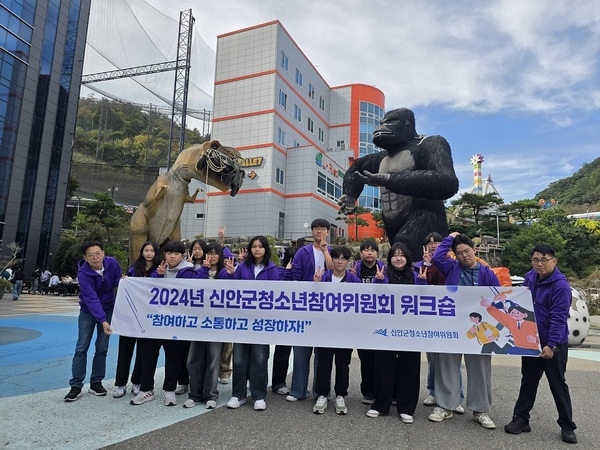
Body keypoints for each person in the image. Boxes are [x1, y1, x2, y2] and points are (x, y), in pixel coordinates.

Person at [503, 244, 577, 444]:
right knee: (528, 381)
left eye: (544, 260)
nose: (539, 264)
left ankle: (567, 425)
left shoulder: (560, 286)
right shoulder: (530, 277)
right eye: (535, 260)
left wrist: (551, 345)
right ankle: (521, 419)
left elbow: (558, 317)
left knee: (557, 384)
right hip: (531, 341)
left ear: (554, 261)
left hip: (554, 344)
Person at [428, 232, 500, 429]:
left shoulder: (487, 272)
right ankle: (445, 406)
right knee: (447, 365)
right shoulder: (451, 267)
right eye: (459, 253)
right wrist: (450, 238)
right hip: (452, 325)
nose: (463, 256)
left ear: (474, 250)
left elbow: (499, 298)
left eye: (466, 251)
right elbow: (436, 257)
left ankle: (480, 410)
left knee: (480, 368)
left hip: (479, 329)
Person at [131, 240, 196, 406]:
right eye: (169, 253)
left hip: (174, 323)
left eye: (176, 253)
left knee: (173, 357)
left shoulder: (188, 272)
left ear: (182, 256)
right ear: (164, 255)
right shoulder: (159, 269)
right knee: (148, 356)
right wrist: (158, 275)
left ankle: (169, 391)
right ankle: (147, 390)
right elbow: (147, 289)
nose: (172, 256)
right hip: (154, 322)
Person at [367, 242, 423, 423]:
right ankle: (381, 404)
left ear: (407, 257)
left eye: (402, 255)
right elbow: (374, 300)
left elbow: (427, 301)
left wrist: (424, 284)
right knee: (383, 366)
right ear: (390, 258)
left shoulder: (416, 276)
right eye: (394, 255)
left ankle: (406, 407)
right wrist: (379, 282)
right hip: (386, 329)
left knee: (410, 367)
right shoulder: (383, 274)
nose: (398, 258)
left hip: (411, 330)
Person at [64, 242, 122, 402]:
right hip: (88, 311)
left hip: (109, 308)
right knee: (82, 346)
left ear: (103, 253)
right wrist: (102, 320)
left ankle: (96, 382)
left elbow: (118, 282)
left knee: (102, 347)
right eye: (91, 255)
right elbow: (91, 299)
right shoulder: (83, 274)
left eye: (98, 253)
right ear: (85, 257)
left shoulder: (113, 264)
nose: (95, 257)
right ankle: (76, 385)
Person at [226, 236, 279, 411]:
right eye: (254, 246)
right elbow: (234, 291)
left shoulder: (272, 269)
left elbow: (274, 293)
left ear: (265, 249)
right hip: (242, 320)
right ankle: (238, 394)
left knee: (259, 358)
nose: (257, 249)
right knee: (239, 359)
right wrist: (232, 275)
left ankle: (259, 395)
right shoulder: (242, 267)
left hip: (261, 322)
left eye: (260, 246)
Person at [287, 218, 334, 402]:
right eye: (316, 228)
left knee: (322, 354)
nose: (319, 231)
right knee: (301, 351)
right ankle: (298, 390)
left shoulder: (332, 252)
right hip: (305, 307)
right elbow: (295, 278)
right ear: (312, 231)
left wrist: (324, 250)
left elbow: (334, 272)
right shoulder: (302, 252)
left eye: (323, 228)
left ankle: (320, 392)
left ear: (328, 232)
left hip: (326, 309)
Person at [184, 242, 234, 409]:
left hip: (216, 323)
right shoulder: (198, 271)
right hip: (198, 322)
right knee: (193, 360)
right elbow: (194, 288)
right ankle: (195, 394)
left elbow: (232, 292)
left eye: (215, 253)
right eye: (209, 253)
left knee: (213, 360)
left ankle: (211, 394)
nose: (212, 256)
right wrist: (204, 270)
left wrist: (231, 274)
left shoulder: (224, 273)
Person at [312, 246, 359, 415]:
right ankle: (322, 394)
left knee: (342, 364)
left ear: (347, 261)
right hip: (324, 330)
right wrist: (316, 285)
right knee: (323, 363)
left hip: (344, 331)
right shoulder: (323, 278)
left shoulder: (354, 280)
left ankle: (341, 394)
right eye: (336, 258)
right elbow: (312, 301)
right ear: (331, 260)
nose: (340, 261)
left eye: (343, 258)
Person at [113, 241, 161, 399]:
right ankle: (120, 383)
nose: (149, 253)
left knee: (143, 352)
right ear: (142, 252)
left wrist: (160, 274)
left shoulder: (160, 269)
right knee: (125, 350)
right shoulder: (134, 269)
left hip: (148, 318)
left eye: (152, 251)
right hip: (130, 316)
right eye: (146, 250)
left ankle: (137, 381)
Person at [352, 239, 386, 405]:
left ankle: (382, 390)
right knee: (365, 358)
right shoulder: (355, 268)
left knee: (380, 358)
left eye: (373, 250)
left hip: (379, 320)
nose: (369, 253)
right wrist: (351, 277)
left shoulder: (385, 269)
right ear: (361, 253)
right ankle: (368, 391)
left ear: (377, 254)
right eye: (366, 250)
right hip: (361, 321)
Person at [271, 246, 296, 395]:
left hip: (297, 318)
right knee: (283, 352)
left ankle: (298, 383)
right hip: (284, 319)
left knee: (298, 354)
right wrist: (287, 271)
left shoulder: (300, 272)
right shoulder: (279, 271)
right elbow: (279, 288)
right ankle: (278, 382)